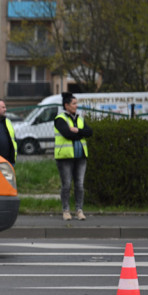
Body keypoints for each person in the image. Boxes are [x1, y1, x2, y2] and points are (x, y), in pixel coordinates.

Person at [54, 91, 93, 221]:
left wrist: (78, 131)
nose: (76, 106)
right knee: (66, 185)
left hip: (80, 156)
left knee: (80, 185)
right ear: (66, 105)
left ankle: (79, 210)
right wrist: (81, 133)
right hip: (65, 157)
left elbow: (90, 132)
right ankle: (66, 211)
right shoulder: (60, 119)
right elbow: (67, 134)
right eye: (74, 103)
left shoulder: (79, 118)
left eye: (76, 103)